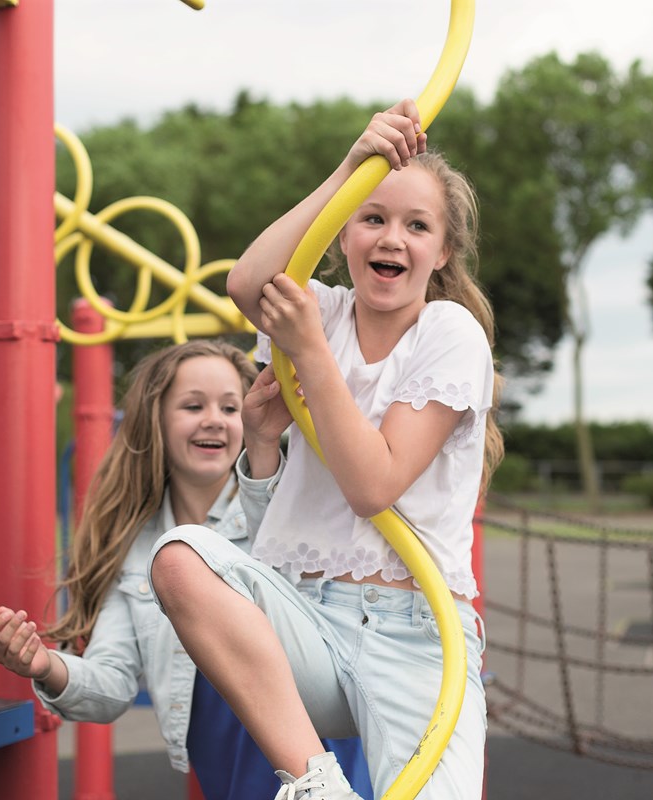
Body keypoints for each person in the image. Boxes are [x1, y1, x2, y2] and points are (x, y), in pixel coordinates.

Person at [147, 99, 503, 800]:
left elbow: (374, 485)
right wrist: (349, 165)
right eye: (371, 217)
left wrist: (308, 351)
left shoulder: (448, 333)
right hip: (305, 619)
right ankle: (315, 783)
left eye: (416, 225)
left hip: (415, 636)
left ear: (443, 251)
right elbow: (247, 282)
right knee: (181, 556)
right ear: (341, 234)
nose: (390, 238)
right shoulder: (323, 311)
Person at [0, 340, 372, 800]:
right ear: (156, 422)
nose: (213, 418)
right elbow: (111, 684)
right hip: (225, 764)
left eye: (230, 407)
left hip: (319, 752)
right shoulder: (134, 549)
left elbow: (317, 616)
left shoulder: (288, 505)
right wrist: (45, 665)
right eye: (193, 405)